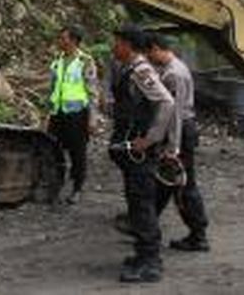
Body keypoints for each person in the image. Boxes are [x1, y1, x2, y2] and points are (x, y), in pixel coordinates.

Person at [109, 24, 174, 283]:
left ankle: (150, 263)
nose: (113, 47)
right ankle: (142, 254)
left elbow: (166, 102)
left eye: (117, 42)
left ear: (127, 44)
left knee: (142, 205)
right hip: (130, 152)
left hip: (140, 155)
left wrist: (150, 139)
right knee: (136, 204)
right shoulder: (129, 69)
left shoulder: (141, 70)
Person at [145, 33, 210, 251]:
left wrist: (173, 147)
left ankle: (198, 234)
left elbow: (174, 114)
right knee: (165, 182)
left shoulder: (174, 74)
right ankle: (146, 224)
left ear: (156, 48)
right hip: (180, 130)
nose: (148, 57)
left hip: (181, 131)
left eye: (149, 52)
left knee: (183, 185)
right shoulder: (171, 69)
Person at [47, 25, 100, 204]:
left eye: (64, 38)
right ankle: (54, 185)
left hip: (77, 114)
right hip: (57, 113)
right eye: (60, 38)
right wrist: (47, 112)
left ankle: (77, 189)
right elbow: (53, 87)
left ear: (74, 41)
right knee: (52, 150)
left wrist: (92, 118)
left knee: (78, 154)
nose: (60, 41)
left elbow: (92, 91)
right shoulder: (58, 59)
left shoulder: (85, 61)